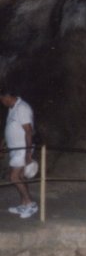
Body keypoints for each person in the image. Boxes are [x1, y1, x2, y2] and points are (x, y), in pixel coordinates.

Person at [0, 89, 37, 219]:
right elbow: (9, 129)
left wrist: (28, 154)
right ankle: (24, 204)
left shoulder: (22, 108)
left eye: (1, 99)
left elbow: (28, 131)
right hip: (15, 149)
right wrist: (3, 146)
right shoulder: (12, 108)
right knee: (20, 177)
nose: (1, 102)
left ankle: (31, 203)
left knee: (14, 177)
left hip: (22, 149)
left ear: (7, 96)